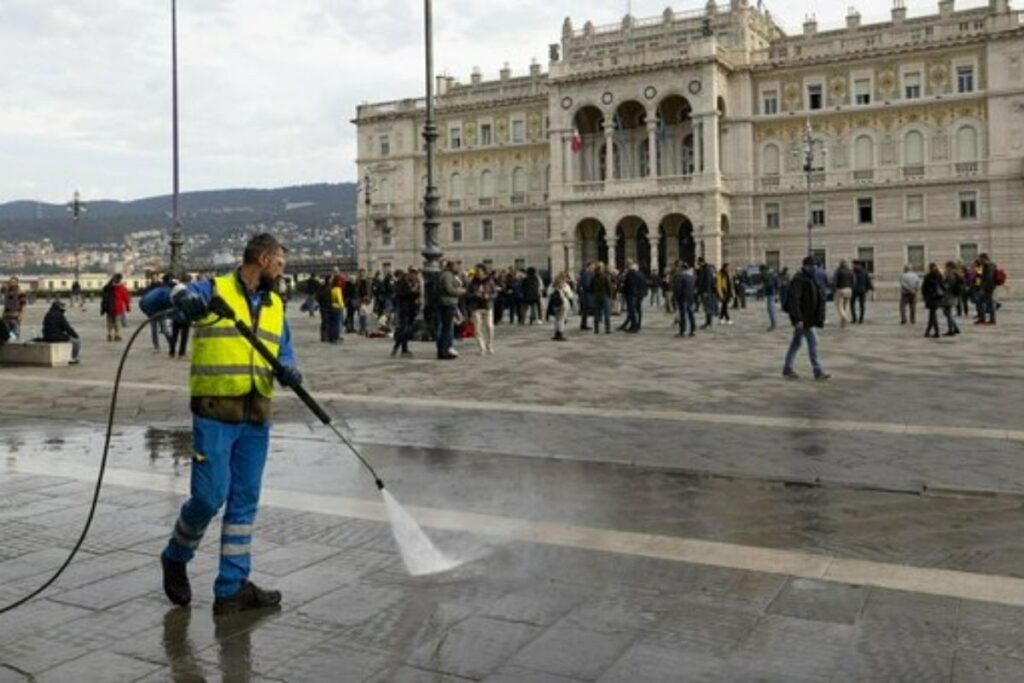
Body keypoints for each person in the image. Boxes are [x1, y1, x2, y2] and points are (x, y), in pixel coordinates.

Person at [141, 232, 299, 615]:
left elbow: (284, 348)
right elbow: (149, 303)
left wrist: (290, 371)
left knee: (244, 502)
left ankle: (231, 587)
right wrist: (178, 296)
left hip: (256, 417)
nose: (282, 271)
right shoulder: (212, 290)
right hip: (215, 413)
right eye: (279, 263)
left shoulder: (276, 303)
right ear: (262, 259)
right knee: (210, 498)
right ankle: (176, 555)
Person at [783, 256, 830, 380]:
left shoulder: (811, 278)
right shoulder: (799, 279)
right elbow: (794, 300)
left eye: (815, 266)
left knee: (796, 343)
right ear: (805, 266)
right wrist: (798, 319)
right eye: (812, 266)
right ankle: (818, 371)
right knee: (813, 342)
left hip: (808, 318)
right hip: (803, 319)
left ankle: (788, 368)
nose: (814, 268)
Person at [436, 260, 465, 360]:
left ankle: (443, 350)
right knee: (447, 328)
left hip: (447, 303)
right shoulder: (447, 275)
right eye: (457, 266)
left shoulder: (448, 274)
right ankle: (445, 350)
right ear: (452, 266)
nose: (458, 268)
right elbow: (449, 289)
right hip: (447, 303)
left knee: (446, 327)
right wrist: (461, 292)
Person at [467, 264, 497, 354]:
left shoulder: (490, 281)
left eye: (480, 271)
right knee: (477, 328)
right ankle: (481, 348)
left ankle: (489, 345)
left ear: (484, 272)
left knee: (490, 326)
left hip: (488, 306)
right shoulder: (473, 282)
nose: (478, 273)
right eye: (477, 272)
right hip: (476, 307)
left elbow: (495, 293)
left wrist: (489, 296)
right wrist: (474, 295)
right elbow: (468, 294)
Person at [391, 268, 420, 357]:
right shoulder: (402, 282)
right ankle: (400, 349)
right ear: (410, 274)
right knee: (404, 330)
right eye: (415, 275)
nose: (416, 277)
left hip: (410, 309)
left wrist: (415, 291)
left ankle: (400, 349)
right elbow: (402, 294)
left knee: (405, 330)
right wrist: (413, 291)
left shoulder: (410, 282)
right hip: (404, 309)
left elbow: (413, 295)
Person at [143, 273, 172, 353]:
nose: (154, 279)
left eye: (155, 277)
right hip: (152, 312)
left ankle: (171, 344)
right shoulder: (149, 288)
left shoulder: (161, 287)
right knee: (154, 330)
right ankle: (156, 346)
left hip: (161, 311)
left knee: (165, 329)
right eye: (153, 278)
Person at [101, 274, 132, 342]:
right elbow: (126, 298)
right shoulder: (121, 288)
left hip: (109, 308)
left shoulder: (107, 287)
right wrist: (128, 307)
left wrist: (103, 308)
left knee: (109, 321)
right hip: (118, 308)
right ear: (120, 280)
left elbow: (103, 297)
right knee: (117, 322)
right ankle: (117, 335)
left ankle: (109, 335)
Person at [921, 262, 946, 339]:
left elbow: (924, 288)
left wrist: (924, 297)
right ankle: (930, 332)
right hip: (937, 297)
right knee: (932, 314)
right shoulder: (939, 276)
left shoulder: (928, 277)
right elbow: (943, 287)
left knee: (932, 315)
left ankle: (933, 332)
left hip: (931, 298)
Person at [619, 260, 644, 333]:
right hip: (635, 294)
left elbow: (629, 285)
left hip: (631, 295)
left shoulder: (631, 273)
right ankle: (633, 325)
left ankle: (633, 327)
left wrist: (623, 290)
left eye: (626, 264)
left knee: (632, 311)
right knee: (633, 311)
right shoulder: (637, 273)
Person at [673, 262, 697, 337]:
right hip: (690, 297)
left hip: (682, 297)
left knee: (682, 314)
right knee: (690, 313)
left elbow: (677, 288)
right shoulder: (692, 276)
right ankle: (692, 329)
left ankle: (682, 330)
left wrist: (676, 297)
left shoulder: (679, 276)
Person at [549, 272, 575, 341]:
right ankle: (560, 333)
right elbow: (570, 296)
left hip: (554, 304)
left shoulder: (552, 285)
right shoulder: (565, 285)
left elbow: (548, 293)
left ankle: (556, 333)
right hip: (563, 303)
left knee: (557, 319)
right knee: (562, 319)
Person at [589, 262, 614, 334]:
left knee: (596, 313)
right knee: (607, 313)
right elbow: (609, 287)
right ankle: (607, 329)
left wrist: (593, 294)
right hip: (605, 296)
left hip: (596, 297)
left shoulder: (593, 277)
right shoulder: (605, 277)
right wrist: (610, 296)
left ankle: (596, 329)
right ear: (601, 269)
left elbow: (591, 287)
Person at [975, 253, 998, 325]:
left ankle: (991, 319)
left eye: (980, 258)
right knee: (982, 302)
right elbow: (979, 276)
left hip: (987, 287)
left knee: (987, 303)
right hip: (988, 286)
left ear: (984, 258)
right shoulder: (989, 265)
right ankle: (983, 318)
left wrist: (982, 288)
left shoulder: (987, 265)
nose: (979, 260)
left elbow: (987, 278)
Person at [832, 259, 854, 328]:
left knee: (839, 307)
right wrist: (851, 288)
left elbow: (834, 281)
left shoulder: (838, 271)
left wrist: (834, 289)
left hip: (840, 289)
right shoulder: (850, 271)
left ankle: (845, 317)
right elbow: (854, 281)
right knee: (845, 307)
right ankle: (842, 324)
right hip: (849, 290)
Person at [943, 261, 963, 337]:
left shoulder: (950, 275)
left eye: (946, 267)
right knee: (947, 313)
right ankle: (955, 328)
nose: (946, 268)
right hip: (953, 296)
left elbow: (948, 285)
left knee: (947, 312)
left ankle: (951, 330)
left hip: (949, 296)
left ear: (949, 267)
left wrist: (943, 285)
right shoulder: (957, 274)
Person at [761, 264, 779, 332]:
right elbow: (777, 283)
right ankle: (773, 322)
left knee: (770, 309)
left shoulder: (767, 275)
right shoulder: (772, 274)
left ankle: (773, 323)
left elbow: (769, 284)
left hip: (770, 293)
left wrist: (764, 286)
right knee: (771, 309)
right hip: (772, 293)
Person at [577, 263, 593, 331]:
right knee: (585, 310)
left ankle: (584, 324)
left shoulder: (585, 273)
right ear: (589, 266)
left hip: (584, 294)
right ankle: (583, 325)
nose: (592, 268)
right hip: (586, 295)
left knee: (585, 310)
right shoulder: (586, 274)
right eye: (592, 267)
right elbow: (587, 284)